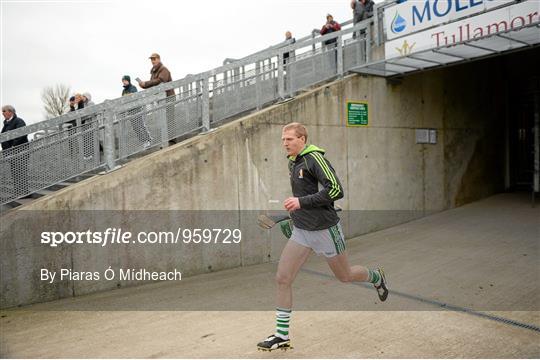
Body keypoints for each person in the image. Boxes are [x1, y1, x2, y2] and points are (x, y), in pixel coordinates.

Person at [257, 122, 389, 351]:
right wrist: (293, 214)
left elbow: (336, 190)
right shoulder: (294, 161)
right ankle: (281, 336)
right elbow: (304, 197)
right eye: (283, 139)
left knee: (345, 276)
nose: (284, 143)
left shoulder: (314, 159)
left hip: (326, 231)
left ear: (302, 139)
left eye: (289, 139)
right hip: (302, 231)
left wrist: (301, 202)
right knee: (282, 278)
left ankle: (376, 277)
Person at [137, 53, 176, 144]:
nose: (152, 61)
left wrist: (146, 83)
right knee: (163, 120)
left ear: (159, 59)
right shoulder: (154, 72)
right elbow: (152, 84)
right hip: (161, 99)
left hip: (168, 97)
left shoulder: (164, 69)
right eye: (151, 59)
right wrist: (143, 85)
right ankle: (166, 139)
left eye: (154, 59)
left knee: (169, 119)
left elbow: (160, 81)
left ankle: (172, 140)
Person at [1, 105, 30, 197]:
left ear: (10, 112)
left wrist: (14, 146)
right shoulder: (6, 124)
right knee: (15, 172)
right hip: (11, 153)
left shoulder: (19, 121)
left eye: (4, 111)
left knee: (21, 172)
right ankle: (18, 192)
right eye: (2, 111)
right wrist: (6, 150)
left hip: (20, 151)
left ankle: (24, 193)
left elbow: (22, 135)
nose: (2, 113)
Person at [121, 75, 151, 148]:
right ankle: (144, 142)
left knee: (141, 126)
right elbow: (122, 100)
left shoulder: (133, 88)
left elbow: (134, 96)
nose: (123, 82)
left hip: (137, 110)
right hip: (130, 112)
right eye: (123, 81)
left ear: (128, 81)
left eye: (125, 80)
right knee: (135, 128)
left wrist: (127, 97)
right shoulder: (124, 91)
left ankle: (148, 140)